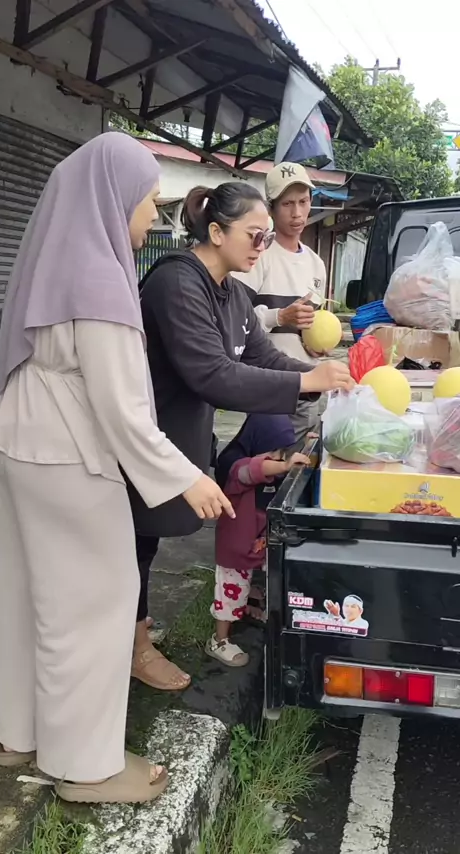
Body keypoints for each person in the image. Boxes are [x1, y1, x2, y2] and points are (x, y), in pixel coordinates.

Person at [0, 132, 233, 805]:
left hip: (13, 440)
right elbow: (122, 411)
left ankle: (16, 733)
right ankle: (86, 766)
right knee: (96, 601)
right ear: (113, 198)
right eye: (147, 199)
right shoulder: (101, 278)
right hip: (66, 453)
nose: (152, 214)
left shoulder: (49, 261)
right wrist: (188, 476)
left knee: (25, 591)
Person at [127, 181, 354, 692]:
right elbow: (213, 374)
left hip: (181, 432)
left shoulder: (231, 293)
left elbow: (263, 357)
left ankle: (132, 623)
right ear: (216, 231)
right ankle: (134, 646)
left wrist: (322, 377)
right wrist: (305, 382)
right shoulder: (177, 283)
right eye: (255, 235)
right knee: (132, 542)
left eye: (266, 237)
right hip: (142, 436)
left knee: (145, 542)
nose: (262, 246)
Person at [235, 162, 328, 445]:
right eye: (287, 204)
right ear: (271, 208)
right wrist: (279, 317)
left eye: (303, 201)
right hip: (271, 390)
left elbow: (313, 326)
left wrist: (317, 344)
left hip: (309, 388)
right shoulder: (256, 256)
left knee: (299, 463)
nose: (297, 213)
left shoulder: (316, 264)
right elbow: (235, 320)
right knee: (269, 463)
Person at [207, 413, 311, 667]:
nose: (277, 457)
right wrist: (283, 465)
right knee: (230, 593)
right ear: (256, 442)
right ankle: (219, 640)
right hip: (236, 548)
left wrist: (307, 445)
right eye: (273, 451)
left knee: (265, 579)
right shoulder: (235, 467)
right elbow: (253, 470)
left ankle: (250, 604)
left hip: (260, 541)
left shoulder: (275, 464)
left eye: (281, 452)